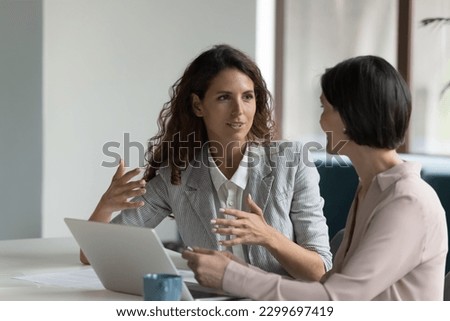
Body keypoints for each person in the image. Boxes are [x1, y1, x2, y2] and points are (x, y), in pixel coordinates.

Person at [182, 55, 448, 300]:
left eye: (325, 108)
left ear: (350, 116)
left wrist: (234, 276)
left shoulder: (407, 202)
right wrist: (238, 270)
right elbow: (328, 285)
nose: (321, 122)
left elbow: (336, 299)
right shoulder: (371, 189)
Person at [81, 44, 332, 281]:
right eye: (224, 98)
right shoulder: (177, 176)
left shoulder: (292, 161)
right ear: (198, 105)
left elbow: (321, 270)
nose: (239, 111)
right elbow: (92, 255)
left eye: (247, 97)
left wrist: (269, 237)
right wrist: (106, 206)